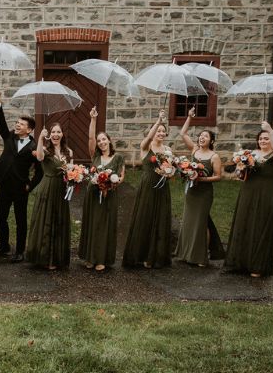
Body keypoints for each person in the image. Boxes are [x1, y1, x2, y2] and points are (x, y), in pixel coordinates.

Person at [225, 122, 273, 277]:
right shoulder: (250, 154)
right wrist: (240, 169)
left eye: (266, 138)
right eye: (261, 138)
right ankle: (238, 263)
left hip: (267, 195)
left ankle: (257, 265)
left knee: (261, 226)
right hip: (248, 193)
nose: (263, 141)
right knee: (244, 223)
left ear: (272, 139)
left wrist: (269, 129)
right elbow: (238, 174)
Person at [0, 88, 43, 262]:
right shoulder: (10, 137)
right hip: (5, 184)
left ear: (29, 130)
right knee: (0, 217)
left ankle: (20, 251)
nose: (18, 125)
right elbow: (0, 123)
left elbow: (40, 171)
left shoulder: (35, 147)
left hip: (21, 187)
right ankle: (4, 247)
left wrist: (30, 185)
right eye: (18, 122)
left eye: (21, 124)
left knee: (21, 220)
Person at [123, 109, 173, 269]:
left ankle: (155, 257)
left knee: (160, 219)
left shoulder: (168, 151)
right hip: (148, 186)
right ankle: (140, 255)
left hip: (163, 187)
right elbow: (148, 138)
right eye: (158, 130)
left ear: (166, 135)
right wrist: (159, 120)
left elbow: (172, 172)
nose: (161, 133)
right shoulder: (145, 147)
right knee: (145, 218)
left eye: (163, 131)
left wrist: (168, 173)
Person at [78, 106, 125, 271]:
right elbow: (90, 138)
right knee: (93, 224)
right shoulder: (95, 156)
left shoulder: (118, 157)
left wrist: (110, 184)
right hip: (93, 194)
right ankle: (90, 257)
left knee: (104, 225)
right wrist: (93, 119)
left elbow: (121, 176)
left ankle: (101, 259)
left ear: (109, 140)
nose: (101, 142)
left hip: (109, 196)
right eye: (99, 141)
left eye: (104, 139)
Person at [174, 107, 222, 267]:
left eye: (206, 136)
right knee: (188, 221)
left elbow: (218, 176)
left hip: (204, 194)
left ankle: (202, 256)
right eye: (201, 136)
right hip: (191, 192)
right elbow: (183, 134)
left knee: (201, 223)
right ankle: (185, 253)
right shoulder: (194, 150)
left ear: (211, 141)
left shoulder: (214, 157)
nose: (202, 138)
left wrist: (202, 179)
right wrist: (189, 117)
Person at [25, 123, 72, 270]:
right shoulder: (46, 149)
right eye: (53, 132)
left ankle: (57, 258)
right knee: (45, 219)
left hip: (61, 189)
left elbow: (71, 169)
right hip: (47, 186)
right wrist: (40, 138)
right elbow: (39, 157)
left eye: (58, 132)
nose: (56, 134)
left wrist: (74, 175)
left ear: (62, 134)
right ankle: (44, 257)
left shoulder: (68, 151)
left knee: (59, 220)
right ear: (49, 134)